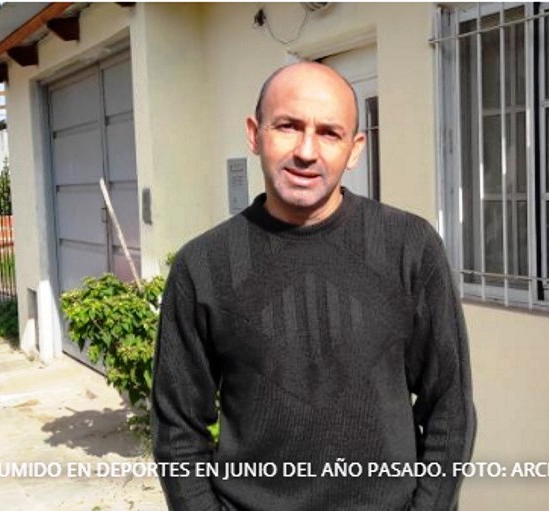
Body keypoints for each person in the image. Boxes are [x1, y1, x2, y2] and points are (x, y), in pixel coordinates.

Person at [152, 61, 476, 511]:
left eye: (329, 133)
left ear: (355, 149)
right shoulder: (203, 266)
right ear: (254, 134)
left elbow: (450, 408)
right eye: (288, 126)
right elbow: (177, 432)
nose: (307, 151)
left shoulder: (409, 247)